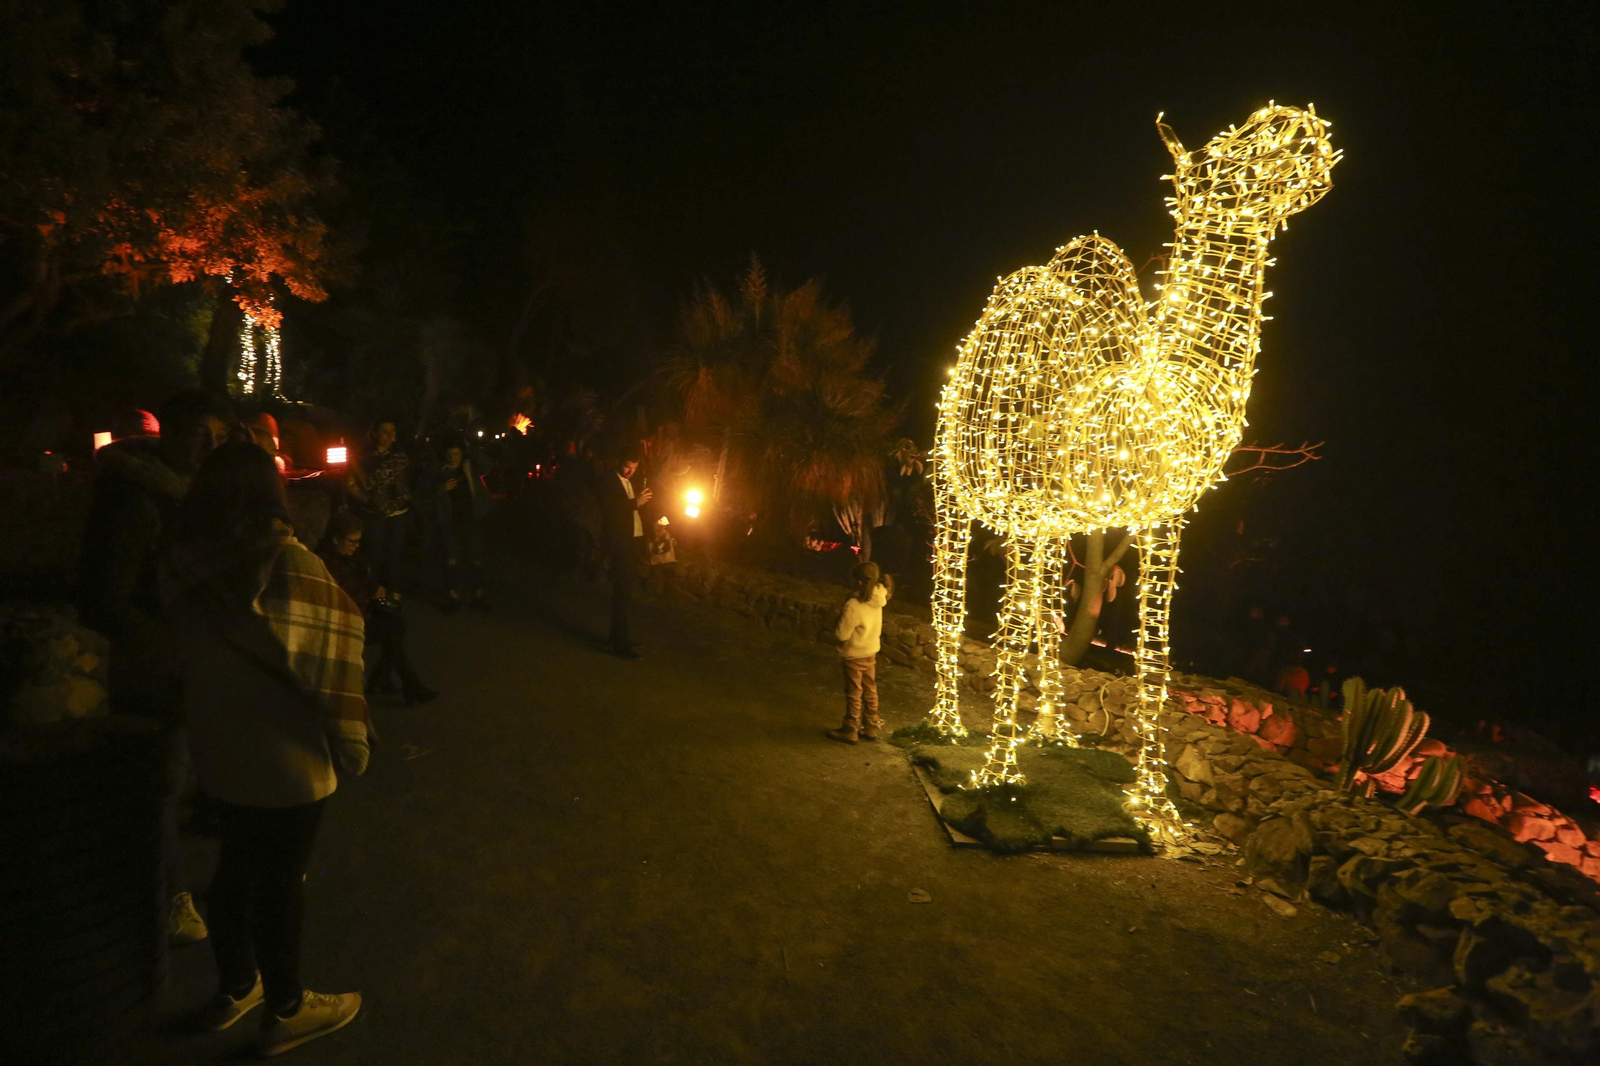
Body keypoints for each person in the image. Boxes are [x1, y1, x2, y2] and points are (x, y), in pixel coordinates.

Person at [162, 442, 368, 1055]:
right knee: (280, 880)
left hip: (219, 745)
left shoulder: (180, 562)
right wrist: (351, 734)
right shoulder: (286, 562)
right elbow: (333, 648)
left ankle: (237, 985)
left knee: (235, 868)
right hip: (285, 754)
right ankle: (287, 1008)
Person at [78, 388, 234, 947]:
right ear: (169, 434)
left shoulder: (195, 494)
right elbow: (102, 596)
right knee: (160, 782)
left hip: (196, 660)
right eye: (198, 435)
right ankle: (167, 897)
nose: (208, 447)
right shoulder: (135, 499)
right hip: (157, 667)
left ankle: (205, 881)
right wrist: (166, 646)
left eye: (219, 437)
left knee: (191, 776)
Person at [317, 512, 438, 705]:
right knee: (393, 630)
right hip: (345, 620)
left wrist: (376, 591)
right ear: (335, 539)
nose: (356, 546)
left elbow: (365, 575)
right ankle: (402, 683)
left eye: (358, 541)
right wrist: (371, 594)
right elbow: (346, 592)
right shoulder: (327, 562)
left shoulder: (348, 555)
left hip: (362, 611)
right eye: (352, 541)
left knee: (395, 624)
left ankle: (388, 681)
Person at [423, 436, 492, 613]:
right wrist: (441, 489)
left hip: (472, 521)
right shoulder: (439, 471)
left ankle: (478, 595)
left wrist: (470, 448)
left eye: (456, 454)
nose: (453, 458)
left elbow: (487, 465)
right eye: (450, 454)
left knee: (475, 559)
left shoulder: (469, 468)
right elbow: (424, 495)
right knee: (452, 560)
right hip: (449, 523)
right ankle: (454, 596)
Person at [827, 562, 894, 744]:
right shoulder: (879, 597)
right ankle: (871, 726)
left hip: (854, 654)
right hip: (870, 651)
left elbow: (841, 634)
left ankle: (850, 728)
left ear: (858, 582)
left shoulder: (854, 604)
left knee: (854, 691)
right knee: (870, 689)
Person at [597, 446, 653, 659]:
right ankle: (619, 643)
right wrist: (635, 502)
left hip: (633, 542)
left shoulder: (631, 482)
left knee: (626, 592)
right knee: (621, 593)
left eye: (634, 468)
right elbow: (610, 510)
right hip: (621, 544)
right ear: (620, 462)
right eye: (628, 467)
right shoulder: (609, 480)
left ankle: (618, 637)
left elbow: (633, 511)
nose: (631, 472)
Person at [348, 418, 412, 600]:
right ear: (374, 434)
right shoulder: (362, 457)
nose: (390, 435)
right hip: (374, 513)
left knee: (394, 553)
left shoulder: (400, 457)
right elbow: (352, 484)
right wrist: (368, 501)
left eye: (393, 432)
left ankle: (393, 589)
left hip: (399, 512)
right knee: (374, 553)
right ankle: (372, 591)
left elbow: (407, 483)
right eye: (385, 431)